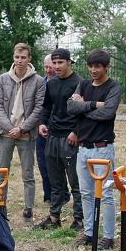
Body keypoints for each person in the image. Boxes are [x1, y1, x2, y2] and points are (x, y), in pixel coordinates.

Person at [67, 49, 121, 249]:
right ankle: (90, 233)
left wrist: (83, 108)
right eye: (90, 66)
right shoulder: (83, 84)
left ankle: (108, 237)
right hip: (83, 148)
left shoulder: (113, 87)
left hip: (102, 148)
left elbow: (108, 113)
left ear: (106, 67)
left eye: (97, 66)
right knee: (86, 193)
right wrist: (94, 105)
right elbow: (70, 107)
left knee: (106, 194)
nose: (93, 70)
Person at [0, 43, 45, 218]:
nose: (19, 60)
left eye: (23, 57)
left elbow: (38, 108)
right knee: (1, 172)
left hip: (26, 134)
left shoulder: (38, 81)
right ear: (13, 57)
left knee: (28, 174)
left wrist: (21, 128)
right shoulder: (2, 79)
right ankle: (1, 206)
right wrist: (10, 128)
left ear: (29, 58)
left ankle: (28, 209)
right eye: (17, 57)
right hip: (6, 133)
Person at [34, 48, 84, 231]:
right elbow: (46, 107)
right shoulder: (52, 83)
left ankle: (78, 220)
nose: (56, 66)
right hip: (52, 137)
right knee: (55, 182)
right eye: (54, 63)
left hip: (70, 139)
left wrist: (76, 132)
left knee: (75, 183)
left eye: (60, 62)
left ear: (69, 62)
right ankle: (54, 217)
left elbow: (85, 112)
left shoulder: (80, 83)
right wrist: (42, 123)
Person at [36, 55, 55, 202]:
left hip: (59, 130)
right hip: (41, 129)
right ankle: (48, 195)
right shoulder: (40, 83)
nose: (48, 70)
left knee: (58, 167)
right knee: (43, 165)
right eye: (46, 67)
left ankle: (62, 194)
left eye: (51, 67)